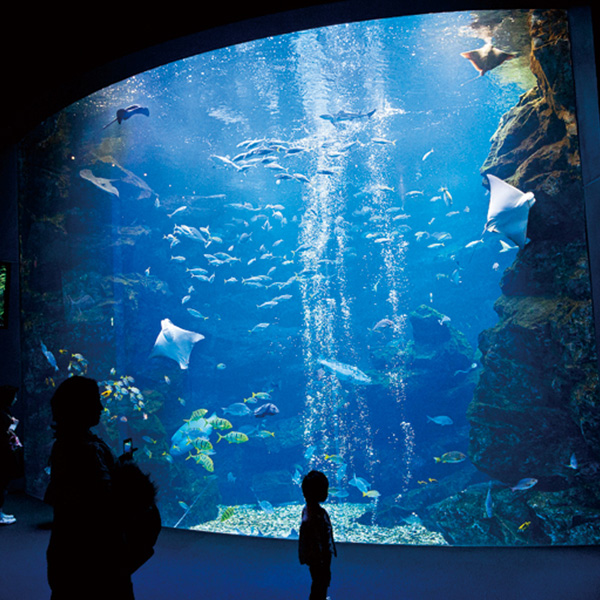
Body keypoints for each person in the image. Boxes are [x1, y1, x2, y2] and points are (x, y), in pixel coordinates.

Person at [44, 376, 134, 600]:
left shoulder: (65, 443)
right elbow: (104, 502)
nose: (102, 407)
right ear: (79, 407)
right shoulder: (85, 450)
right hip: (95, 558)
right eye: (95, 401)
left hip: (67, 553)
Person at [299, 470, 337, 600]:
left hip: (318, 560)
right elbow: (315, 541)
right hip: (319, 560)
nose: (327, 492)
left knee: (319, 586)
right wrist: (323, 562)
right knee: (319, 586)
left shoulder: (310, 511)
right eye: (324, 489)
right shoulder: (314, 516)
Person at [0, 385, 21, 525]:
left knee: (3, 484)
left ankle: (0, 512)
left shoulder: (4, 412)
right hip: (2, 454)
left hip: (5, 452)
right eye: (14, 396)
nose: (16, 399)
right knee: (1, 483)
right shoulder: (1, 414)